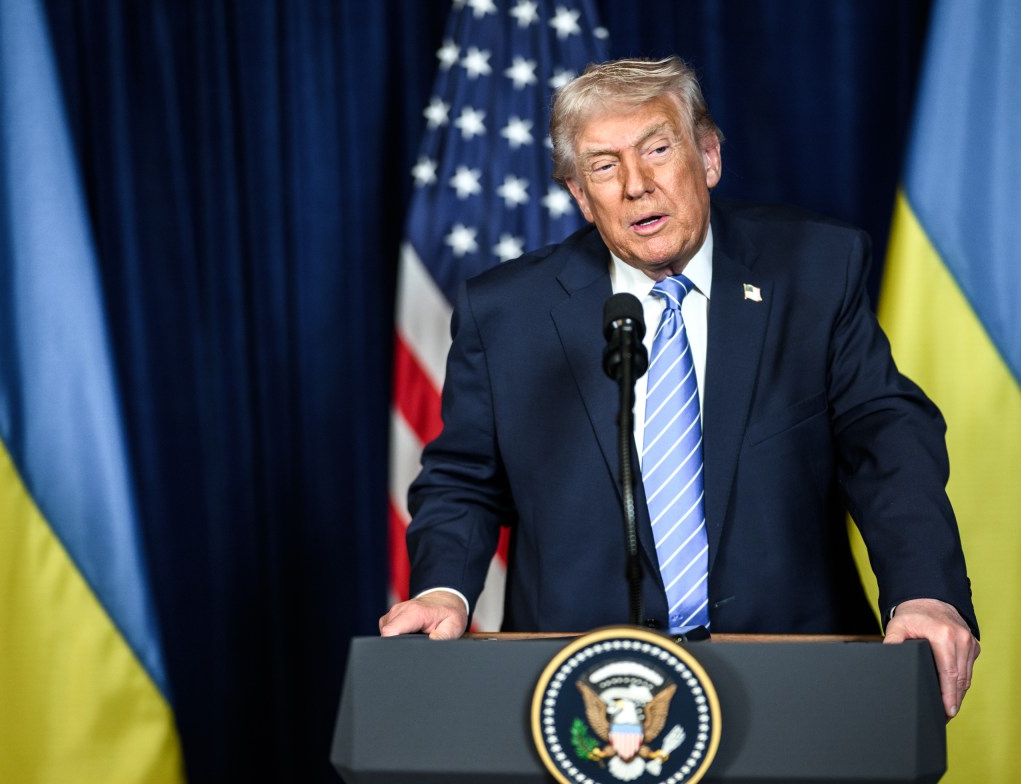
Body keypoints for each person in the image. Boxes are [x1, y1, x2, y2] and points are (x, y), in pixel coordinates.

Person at [380, 56, 979, 719]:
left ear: (709, 157)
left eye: (657, 150)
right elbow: (464, 477)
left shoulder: (814, 270)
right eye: (604, 166)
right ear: (580, 195)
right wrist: (443, 590)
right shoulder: (507, 313)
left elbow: (885, 440)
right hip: (583, 688)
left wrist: (924, 590)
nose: (635, 185)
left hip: (794, 675)